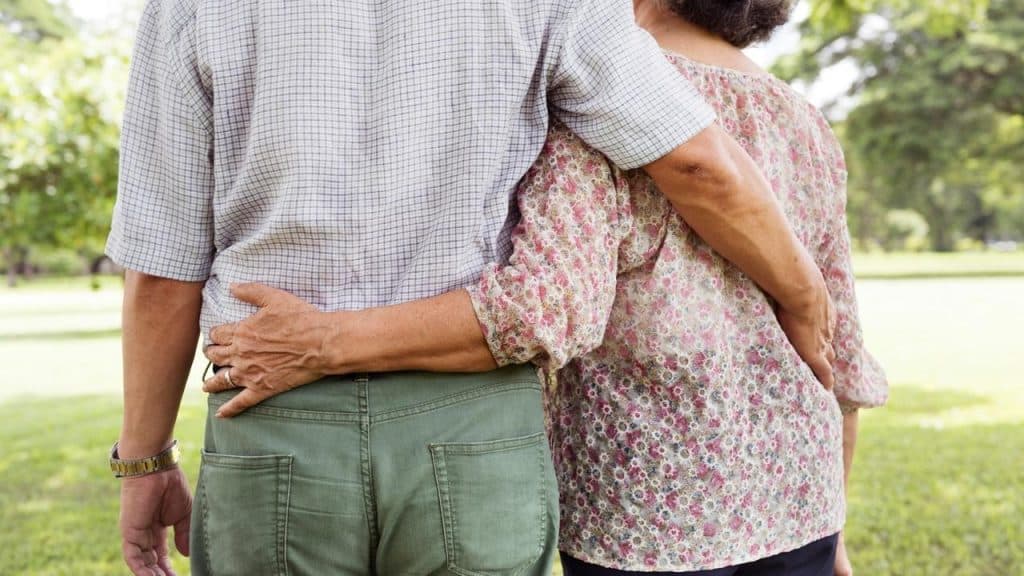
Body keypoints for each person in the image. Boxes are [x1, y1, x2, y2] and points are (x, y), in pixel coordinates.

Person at [108, 0, 837, 575]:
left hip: (272, 421)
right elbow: (698, 164)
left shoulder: (190, 6)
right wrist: (804, 294)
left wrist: (145, 460)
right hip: (472, 435)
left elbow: (164, 271)